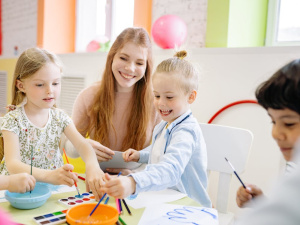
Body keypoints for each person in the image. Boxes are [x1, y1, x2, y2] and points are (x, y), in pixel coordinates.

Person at [100, 50, 212, 208]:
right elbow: (160, 151)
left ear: (191, 97)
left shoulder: (186, 132)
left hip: (188, 206)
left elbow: (171, 170)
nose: (161, 103)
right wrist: (140, 155)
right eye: (157, 96)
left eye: (169, 97)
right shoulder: (165, 124)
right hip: (165, 198)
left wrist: (133, 182)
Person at [0, 47, 105, 200]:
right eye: (40, 85)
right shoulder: (12, 120)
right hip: (17, 190)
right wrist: (49, 175)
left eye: (55, 83)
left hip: (51, 189)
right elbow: (13, 164)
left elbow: (82, 144)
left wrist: (92, 165)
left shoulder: (60, 117)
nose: (50, 90)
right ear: (21, 86)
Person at [61, 27, 160, 174]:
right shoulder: (88, 96)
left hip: (138, 182)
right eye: (123, 58)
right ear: (112, 57)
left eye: (139, 63)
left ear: (147, 67)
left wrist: (136, 175)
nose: (130, 68)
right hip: (99, 178)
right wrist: (82, 145)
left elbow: (161, 153)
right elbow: (68, 147)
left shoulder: (156, 101)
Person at [236, 59, 300, 208]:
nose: (276, 133)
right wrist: (262, 205)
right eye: (273, 122)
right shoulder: (294, 166)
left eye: (289, 124)